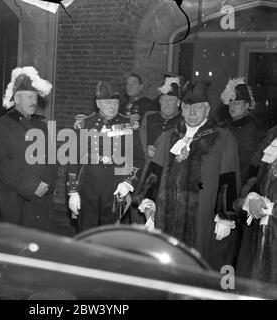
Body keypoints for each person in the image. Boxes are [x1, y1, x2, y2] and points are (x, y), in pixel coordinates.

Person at [139, 80, 241, 271]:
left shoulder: (222, 139)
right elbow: (154, 172)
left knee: (200, 270)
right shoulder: (169, 136)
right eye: (187, 107)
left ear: (207, 108)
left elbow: (228, 178)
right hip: (167, 217)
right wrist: (149, 204)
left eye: (198, 108)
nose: (192, 113)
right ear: (181, 108)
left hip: (202, 221)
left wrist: (226, 216)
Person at [67, 80, 145, 231]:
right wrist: (73, 191)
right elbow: (74, 159)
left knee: (113, 234)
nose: (112, 107)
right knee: (86, 232)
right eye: (107, 103)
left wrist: (128, 183)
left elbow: (138, 158)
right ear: (98, 103)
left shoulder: (127, 124)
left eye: (115, 103)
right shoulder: (86, 124)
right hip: (88, 185)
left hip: (117, 186)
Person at [0, 66, 57, 232]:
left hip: (41, 199)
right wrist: (33, 185)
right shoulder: (1, 125)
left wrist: (48, 185)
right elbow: (2, 163)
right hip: (15, 200)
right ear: (16, 99)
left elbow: (51, 158)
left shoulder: (41, 126)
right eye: (29, 97)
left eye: (35, 97)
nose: (34, 101)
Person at [132, 75, 183, 223]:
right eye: (163, 100)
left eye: (171, 101)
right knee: (138, 220)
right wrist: (145, 151)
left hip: (166, 179)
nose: (166, 104)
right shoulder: (149, 117)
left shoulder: (183, 123)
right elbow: (138, 144)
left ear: (178, 103)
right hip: (144, 176)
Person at [235, 125, 277, 284]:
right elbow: (257, 179)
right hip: (262, 232)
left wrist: (271, 209)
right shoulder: (272, 135)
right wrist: (251, 197)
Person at [220, 77, 267, 189]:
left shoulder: (257, 128)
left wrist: (250, 184)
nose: (232, 107)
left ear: (247, 105)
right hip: (224, 181)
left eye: (237, 103)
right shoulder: (224, 126)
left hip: (244, 185)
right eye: (230, 103)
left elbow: (261, 162)